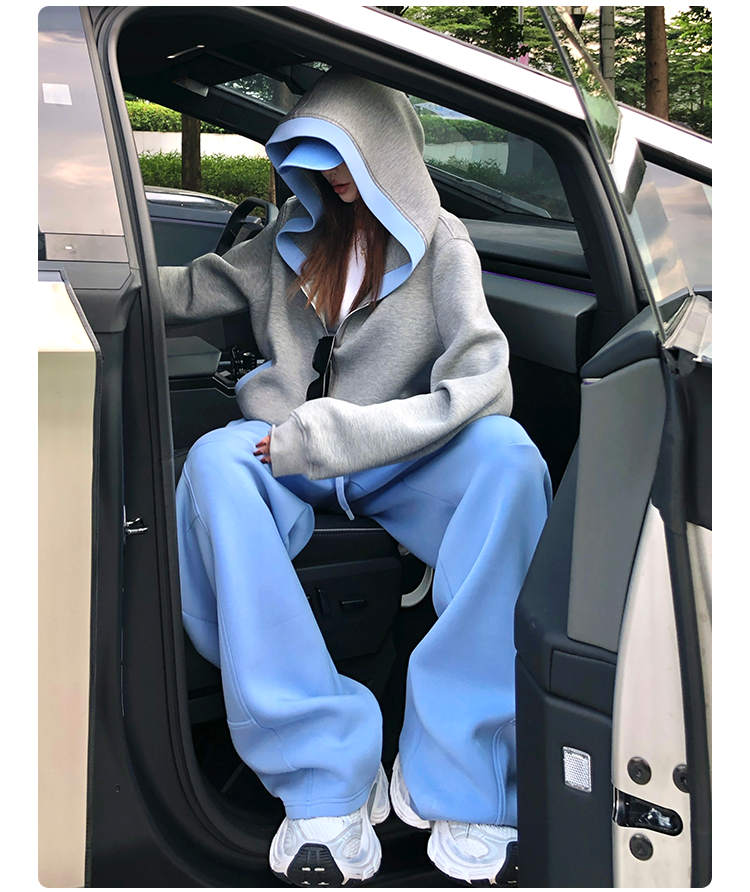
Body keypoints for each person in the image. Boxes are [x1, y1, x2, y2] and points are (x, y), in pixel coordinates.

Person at [159, 72, 551, 886]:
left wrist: (330, 436)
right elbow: (187, 289)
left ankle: (464, 770)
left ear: (388, 152)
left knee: (509, 457)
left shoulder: (444, 244)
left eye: (344, 156)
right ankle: (324, 767)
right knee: (213, 462)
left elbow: (483, 384)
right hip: (285, 454)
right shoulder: (292, 238)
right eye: (312, 158)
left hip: (394, 457)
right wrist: (82, 268)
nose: (330, 176)